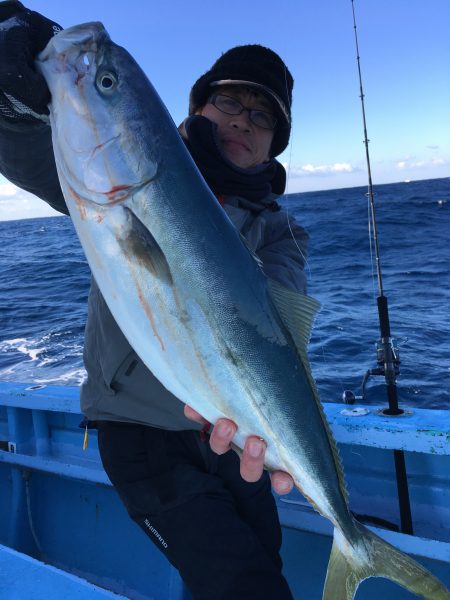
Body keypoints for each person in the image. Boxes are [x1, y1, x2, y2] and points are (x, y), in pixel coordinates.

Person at [0, 3, 309, 599]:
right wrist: (12, 103)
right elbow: (40, 155)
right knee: (244, 585)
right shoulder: (124, 168)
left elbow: (280, 314)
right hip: (139, 430)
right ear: (197, 107)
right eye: (229, 102)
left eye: (262, 116)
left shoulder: (282, 230)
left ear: (275, 144)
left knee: (257, 560)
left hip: (230, 428)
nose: (242, 121)